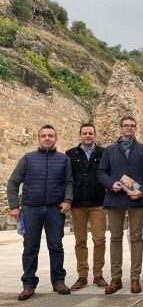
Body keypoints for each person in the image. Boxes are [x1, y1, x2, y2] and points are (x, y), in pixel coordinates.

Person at [7, 125, 73, 301]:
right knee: (30, 248)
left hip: (54, 210)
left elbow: (69, 183)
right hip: (31, 209)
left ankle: (58, 281)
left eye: (51, 135)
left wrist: (68, 200)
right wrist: (14, 206)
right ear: (38, 138)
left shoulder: (63, 159)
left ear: (55, 139)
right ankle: (28, 284)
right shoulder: (27, 159)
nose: (47, 138)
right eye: (44, 135)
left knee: (56, 247)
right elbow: (13, 182)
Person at [97, 116, 143, 294]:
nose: (129, 128)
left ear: (135, 129)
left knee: (136, 237)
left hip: (136, 198)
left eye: (132, 126)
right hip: (115, 198)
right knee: (115, 237)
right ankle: (116, 278)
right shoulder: (110, 150)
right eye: (126, 126)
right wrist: (111, 184)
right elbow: (101, 172)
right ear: (121, 128)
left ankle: (135, 278)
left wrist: (142, 190)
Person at [66, 123, 108, 290]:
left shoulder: (104, 153)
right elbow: (67, 178)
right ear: (80, 135)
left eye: (91, 133)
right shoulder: (70, 154)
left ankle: (98, 274)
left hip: (98, 203)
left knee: (99, 239)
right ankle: (82, 276)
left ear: (95, 135)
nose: (88, 136)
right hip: (78, 204)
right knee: (80, 240)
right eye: (85, 133)